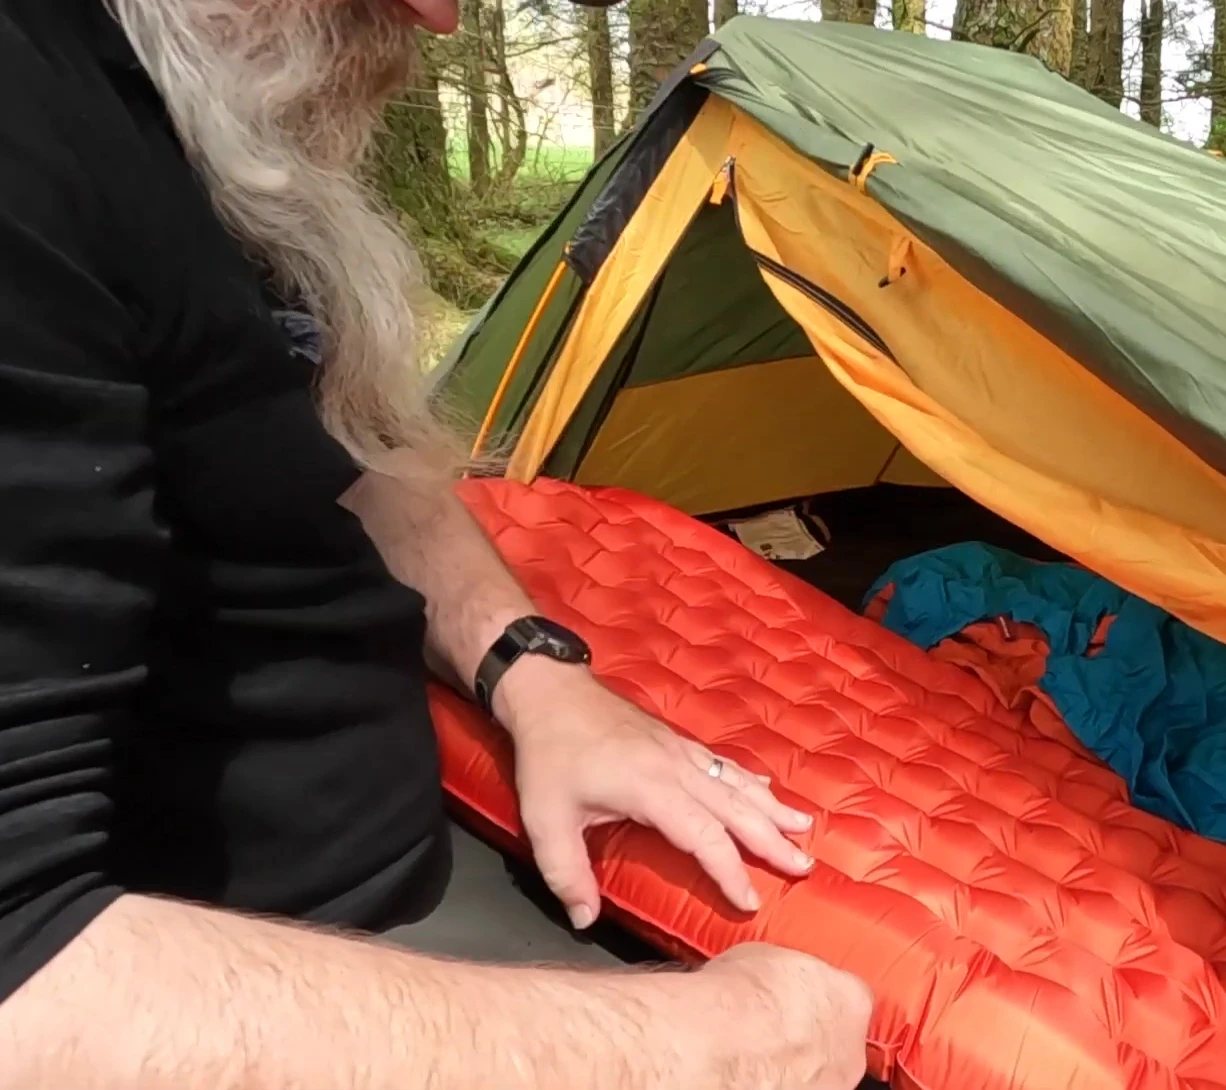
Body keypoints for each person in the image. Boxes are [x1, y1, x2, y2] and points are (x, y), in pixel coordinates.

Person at [0, 0, 871, 1086]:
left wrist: (532, 669)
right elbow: (26, 988)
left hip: (415, 873)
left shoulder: (183, 112)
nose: (443, 18)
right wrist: (716, 1050)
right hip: (268, 988)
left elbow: (334, 464)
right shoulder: (25, 124)